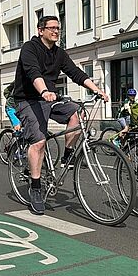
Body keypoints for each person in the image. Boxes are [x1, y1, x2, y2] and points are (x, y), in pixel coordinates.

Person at [13, 15, 108, 215]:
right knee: (39, 141)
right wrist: (43, 91)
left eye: (58, 28)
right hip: (28, 99)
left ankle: (67, 156)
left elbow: (75, 73)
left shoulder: (59, 53)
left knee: (76, 113)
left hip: (50, 98)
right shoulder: (30, 48)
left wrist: (97, 90)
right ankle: (36, 187)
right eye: (52, 28)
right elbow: (33, 72)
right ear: (41, 30)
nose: (56, 31)